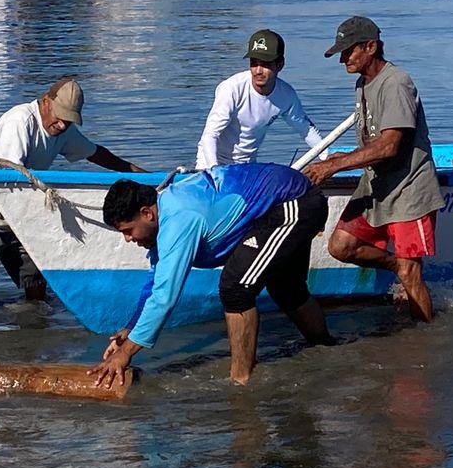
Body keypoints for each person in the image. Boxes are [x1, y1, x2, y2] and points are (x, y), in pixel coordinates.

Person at [89, 163, 334, 388]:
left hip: (294, 202)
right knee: (285, 287)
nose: (129, 239)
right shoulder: (165, 213)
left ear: (147, 214)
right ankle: (327, 349)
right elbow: (156, 282)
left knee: (236, 288)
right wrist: (131, 329)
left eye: (128, 231)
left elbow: (165, 298)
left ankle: (241, 381)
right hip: (278, 206)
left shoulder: (179, 220)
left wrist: (126, 353)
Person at [0, 78, 145, 317]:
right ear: (45, 101)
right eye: (59, 116)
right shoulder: (21, 121)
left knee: (35, 274)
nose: (62, 125)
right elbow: (9, 173)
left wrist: (139, 173)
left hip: (17, 210)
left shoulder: (64, 131)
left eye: (69, 120)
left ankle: (35, 324)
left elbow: (96, 154)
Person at [301, 16, 444, 322]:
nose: (342, 59)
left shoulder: (396, 83)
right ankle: (396, 266)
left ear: (371, 46)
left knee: (411, 274)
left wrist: (335, 166)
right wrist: (343, 155)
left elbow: (390, 145)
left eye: (348, 51)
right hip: (377, 185)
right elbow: (374, 142)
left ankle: (426, 340)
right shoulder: (362, 84)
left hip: (408, 189)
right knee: (341, 246)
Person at [196, 29, 327, 170]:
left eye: (265, 64)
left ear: (280, 64)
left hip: (247, 166)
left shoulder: (286, 95)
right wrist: (214, 170)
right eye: (254, 63)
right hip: (212, 163)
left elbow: (306, 130)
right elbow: (210, 135)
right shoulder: (231, 89)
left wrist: (328, 159)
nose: (258, 71)